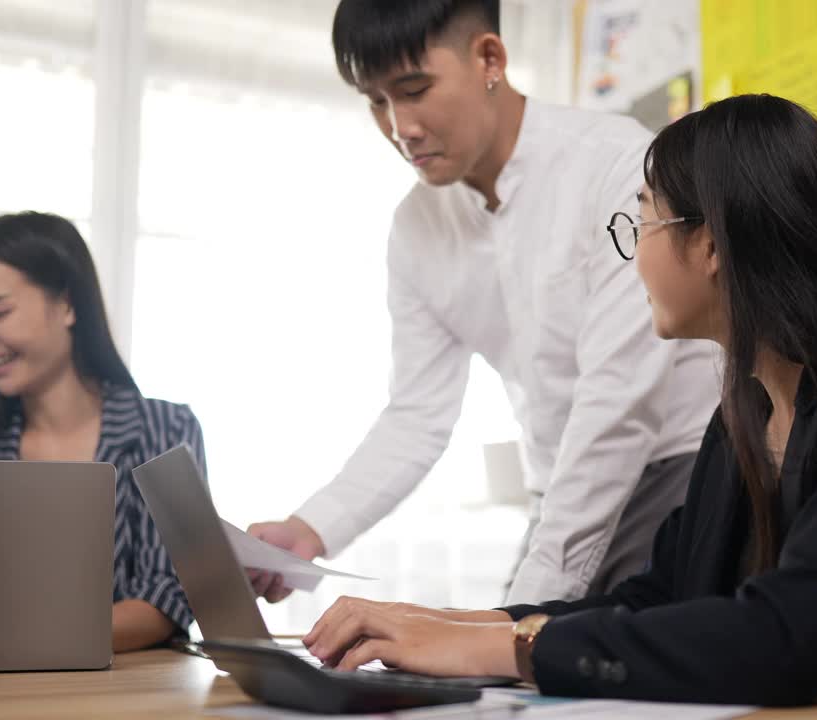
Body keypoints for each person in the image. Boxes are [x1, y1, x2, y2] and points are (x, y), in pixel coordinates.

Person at [295, 95, 817, 705]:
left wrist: (505, 648)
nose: (634, 254)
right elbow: (661, 596)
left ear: (713, 243)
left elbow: (783, 638)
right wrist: (449, 626)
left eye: (644, 220)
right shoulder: (745, 410)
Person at [249, 0, 719, 606]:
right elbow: (417, 414)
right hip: (559, 495)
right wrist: (309, 529)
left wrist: (521, 610)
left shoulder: (616, 164)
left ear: (489, 58)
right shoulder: (417, 228)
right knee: (496, 685)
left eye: (414, 89)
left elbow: (619, 402)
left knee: (553, 663)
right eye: (375, 101)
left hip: (680, 470)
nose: (399, 127)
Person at [0, 212, 206, 653]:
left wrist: (12, 637)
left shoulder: (165, 429)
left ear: (67, 304)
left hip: (132, 695)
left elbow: (166, 596)